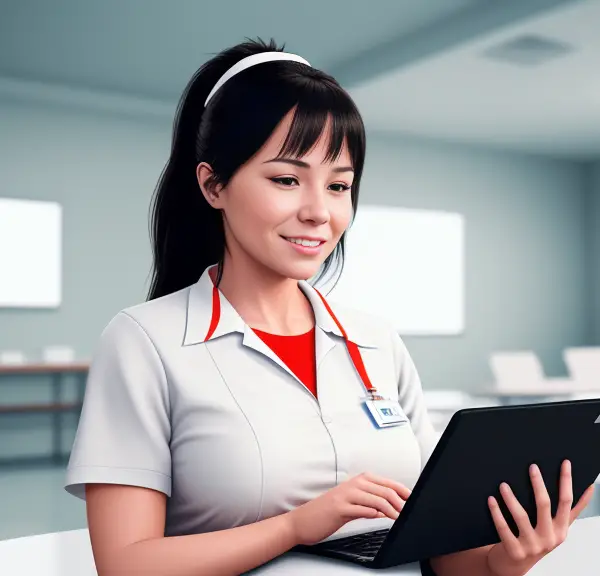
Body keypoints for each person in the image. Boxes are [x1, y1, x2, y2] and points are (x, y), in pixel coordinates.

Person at [64, 38, 595, 576]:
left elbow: (436, 554)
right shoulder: (144, 342)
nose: (320, 212)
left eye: (339, 185)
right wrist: (295, 526)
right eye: (287, 179)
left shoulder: (376, 341)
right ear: (213, 185)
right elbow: (125, 565)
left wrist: (506, 559)